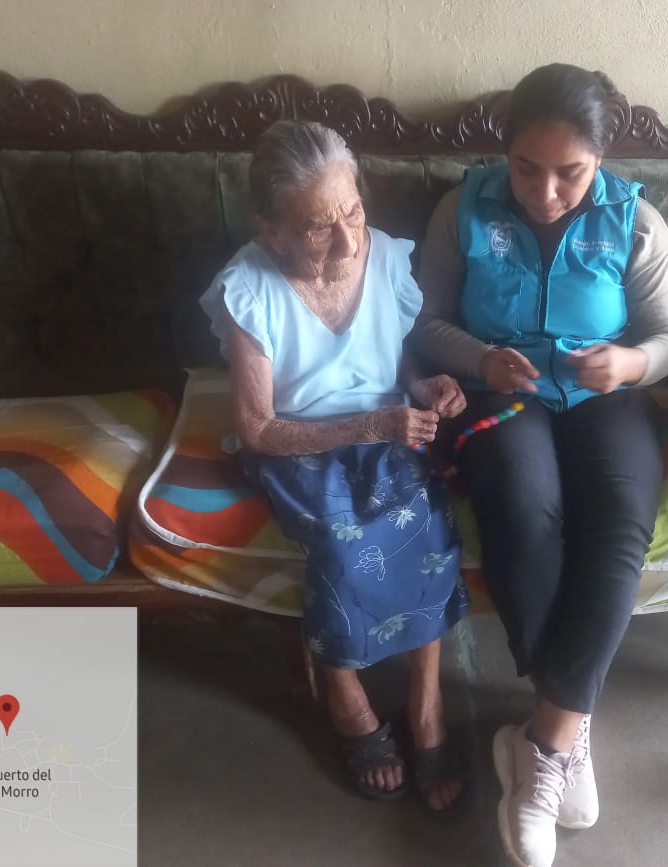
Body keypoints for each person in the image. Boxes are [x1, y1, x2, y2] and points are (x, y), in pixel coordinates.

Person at [413, 64, 668, 865]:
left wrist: (631, 362)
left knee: (620, 524)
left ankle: (545, 742)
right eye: (526, 168)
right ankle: (566, 724)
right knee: (526, 507)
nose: (545, 192)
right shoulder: (462, 209)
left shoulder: (637, 223)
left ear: (601, 159)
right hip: (502, 395)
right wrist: (481, 358)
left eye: (570, 172)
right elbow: (423, 321)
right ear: (504, 153)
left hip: (606, 398)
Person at [199, 120, 470, 813]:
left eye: (353, 211)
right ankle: (345, 696)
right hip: (297, 443)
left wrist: (422, 386)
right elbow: (258, 428)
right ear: (272, 232)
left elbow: (391, 358)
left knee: (428, 521)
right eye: (320, 227)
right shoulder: (248, 290)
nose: (350, 242)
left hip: (386, 427)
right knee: (343, 543)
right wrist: (372, 425)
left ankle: (427, 702)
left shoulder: (384, 257)